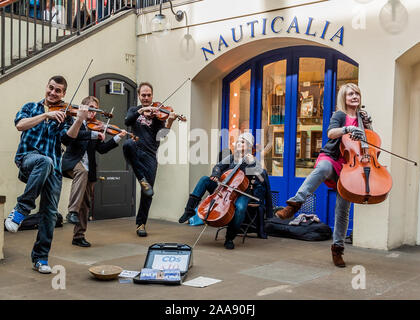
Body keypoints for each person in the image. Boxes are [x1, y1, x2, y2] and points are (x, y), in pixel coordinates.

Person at [274, 83, 373, 267]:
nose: (354, 96)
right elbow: (331, 133)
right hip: (333, 156)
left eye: (357, 93)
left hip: (350, 166)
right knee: (322, 169)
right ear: (344, 98)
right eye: (350, 94)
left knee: (342, 210)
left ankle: (338, 249)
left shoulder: (362, 117)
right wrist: (347, 129)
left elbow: (370, 143)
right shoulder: (339, 115)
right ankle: (295, 204)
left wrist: (368, 125)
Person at [4, 75, 89, 274]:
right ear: (47, 87)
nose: (53, 93)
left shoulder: (65, 115)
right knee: (44, 160)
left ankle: (40, 258)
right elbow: (20, 125)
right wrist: (45, 116)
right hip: (28, 159)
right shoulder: (31, 107)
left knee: (50, 215)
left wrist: (79, 120)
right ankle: (21, 210)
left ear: (63, 94)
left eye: (58, 91)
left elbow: (68, 139)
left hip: (54, 169)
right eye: (51, 88)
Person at [178, 132, 267, 250]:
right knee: (205, 179)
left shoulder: (252, 160)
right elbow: (218, 167)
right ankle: (189, 210)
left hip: (241, 192)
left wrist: (252, 163)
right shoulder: (231, 157)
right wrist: (216, 174)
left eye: (243, 142)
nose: (239, 143)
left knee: (240, 208)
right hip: (223, 189)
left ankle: (229, 238)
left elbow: (261, 177)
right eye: (239, 141)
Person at [61, 96, 127, 247]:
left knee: (85, 204)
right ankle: (71, 211)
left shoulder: (95, 127)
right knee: (81, 172)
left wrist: (117, 137)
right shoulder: (74, 121)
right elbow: (72, 137)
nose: (92, 112)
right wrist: (93, 134)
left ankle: (78, 236)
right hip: (73, 163)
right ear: (83, 107)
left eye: (95, 109)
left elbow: (101, 149)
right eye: (90, 108)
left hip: (89, 168)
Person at [122, 82, 177, 237]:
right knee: (128, 143)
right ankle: (141, 178)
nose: (146, 98)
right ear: (139, 96)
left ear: (152, 96)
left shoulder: (158, 115)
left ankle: (141, 224)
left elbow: (162, 135)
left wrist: (170, 121)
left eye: (148, 95)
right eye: (143, 95)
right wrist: (142, 110)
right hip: (135, 149)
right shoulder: (134, 110)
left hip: (150, 155)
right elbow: (127, 121)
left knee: (148, 193)